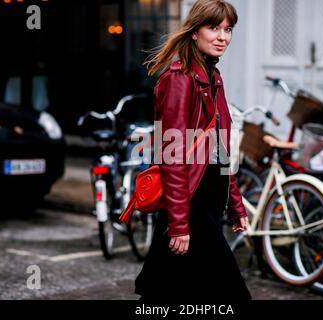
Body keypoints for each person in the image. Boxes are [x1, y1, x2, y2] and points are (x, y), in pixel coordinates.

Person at [134, 0, 251, 302]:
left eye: (228, 29)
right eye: (213, 27)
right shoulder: (178, 80)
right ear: (195, 32)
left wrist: (236, 204)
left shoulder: (214, 78)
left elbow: (222, 150)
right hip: (189, 201)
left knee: (179, 289)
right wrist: (179, 223)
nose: (223, 36)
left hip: (208, 198)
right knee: (229, 290)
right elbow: (170, 156)